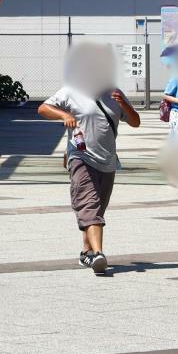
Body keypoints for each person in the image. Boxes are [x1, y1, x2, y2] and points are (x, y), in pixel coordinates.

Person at [39, 81, 140, 275]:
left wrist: (124, 104)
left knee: (97, 208)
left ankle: (87, 253)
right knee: (89, 204)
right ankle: (99, 255)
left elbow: (135, 122)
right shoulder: (72, 91)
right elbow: (43, 108)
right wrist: (64, 115)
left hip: (107, 160)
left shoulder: (114, 93)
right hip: (80, 157)